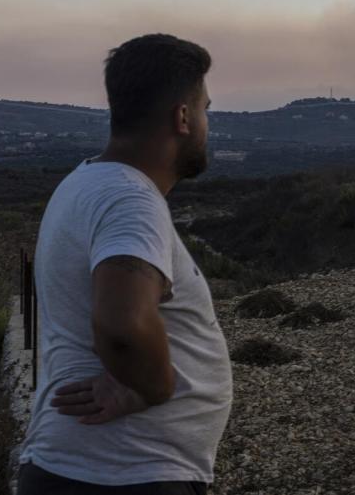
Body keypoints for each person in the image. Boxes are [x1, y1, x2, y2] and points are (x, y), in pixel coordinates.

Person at [16, 34, 233, 494]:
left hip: (85, 470)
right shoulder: (131, 199)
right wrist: (147, 389)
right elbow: (123, 322)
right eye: (204, 109)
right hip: (126, 474)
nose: (206, 124)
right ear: (182, 117)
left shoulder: (86, 182)